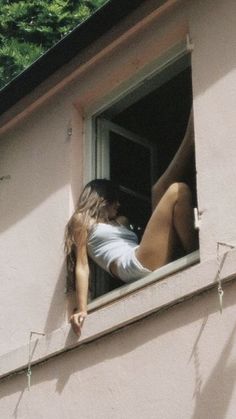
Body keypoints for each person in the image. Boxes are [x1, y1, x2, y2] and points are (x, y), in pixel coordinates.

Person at [64, 110, 197, 336]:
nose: (118, 206)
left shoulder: (121, 221)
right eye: (114, 201)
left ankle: (190, 137)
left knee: (159, 189)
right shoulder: (82, 220)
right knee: (177, 191)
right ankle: (196, 250)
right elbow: (83, 265)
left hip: (142, 254)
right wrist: (82, 307)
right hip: (132, 265)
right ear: (102, 199)